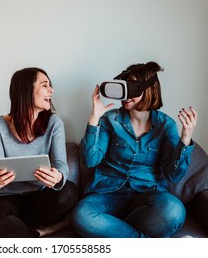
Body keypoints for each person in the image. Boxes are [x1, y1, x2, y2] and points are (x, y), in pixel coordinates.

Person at [72, 61, 198, 238]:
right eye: (125, 87)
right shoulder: (111, 119)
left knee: (174, 210)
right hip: (108, 194)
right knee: (82, 216)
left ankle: (117, 234)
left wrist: (185, 138)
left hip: (147, 195)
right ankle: (144, 243)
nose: (126, 95)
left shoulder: (165, 125)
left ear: (148, 90)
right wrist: (94, 119)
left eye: (132, 88)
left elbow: (173, 175)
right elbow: (90, 160)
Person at [0, 67, 78, 237]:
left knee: (68, 191)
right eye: (45, 85)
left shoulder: (54, 123)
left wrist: (58, 176)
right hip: (8, 198)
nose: (51, 90)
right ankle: (39, 232)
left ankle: (18, 229)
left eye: (50, 85)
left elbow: (61, 164)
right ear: (26, 90)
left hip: (41, 197)